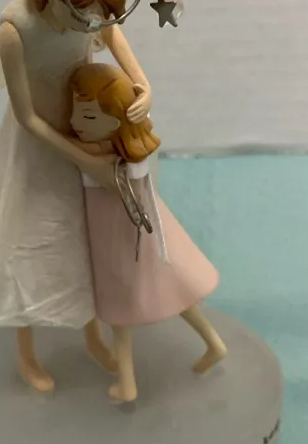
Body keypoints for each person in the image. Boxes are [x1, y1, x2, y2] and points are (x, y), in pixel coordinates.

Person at [0, 0, 152, 393]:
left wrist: (141, 81)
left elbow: (110, 30)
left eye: (94, 18)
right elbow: (27, 117)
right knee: (31, 239)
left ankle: (91, 333)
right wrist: (84, 160)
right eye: (81, 16)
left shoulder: (88, 16)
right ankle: (26, 350)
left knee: (86, 240)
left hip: (86, 126)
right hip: (43, 145)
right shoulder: (17, 30)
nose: (89, 27)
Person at [69, 63, 226, 403]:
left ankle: (127, 383)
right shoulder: (130, 151)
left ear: (118, 121)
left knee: (118, 311)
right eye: (76, 112)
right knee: (175, 293)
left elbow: (61, 147)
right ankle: (213, 343)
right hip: (148, 237)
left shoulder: (103, 160)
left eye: (89, 116)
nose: (76, 122)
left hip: (118, 242)